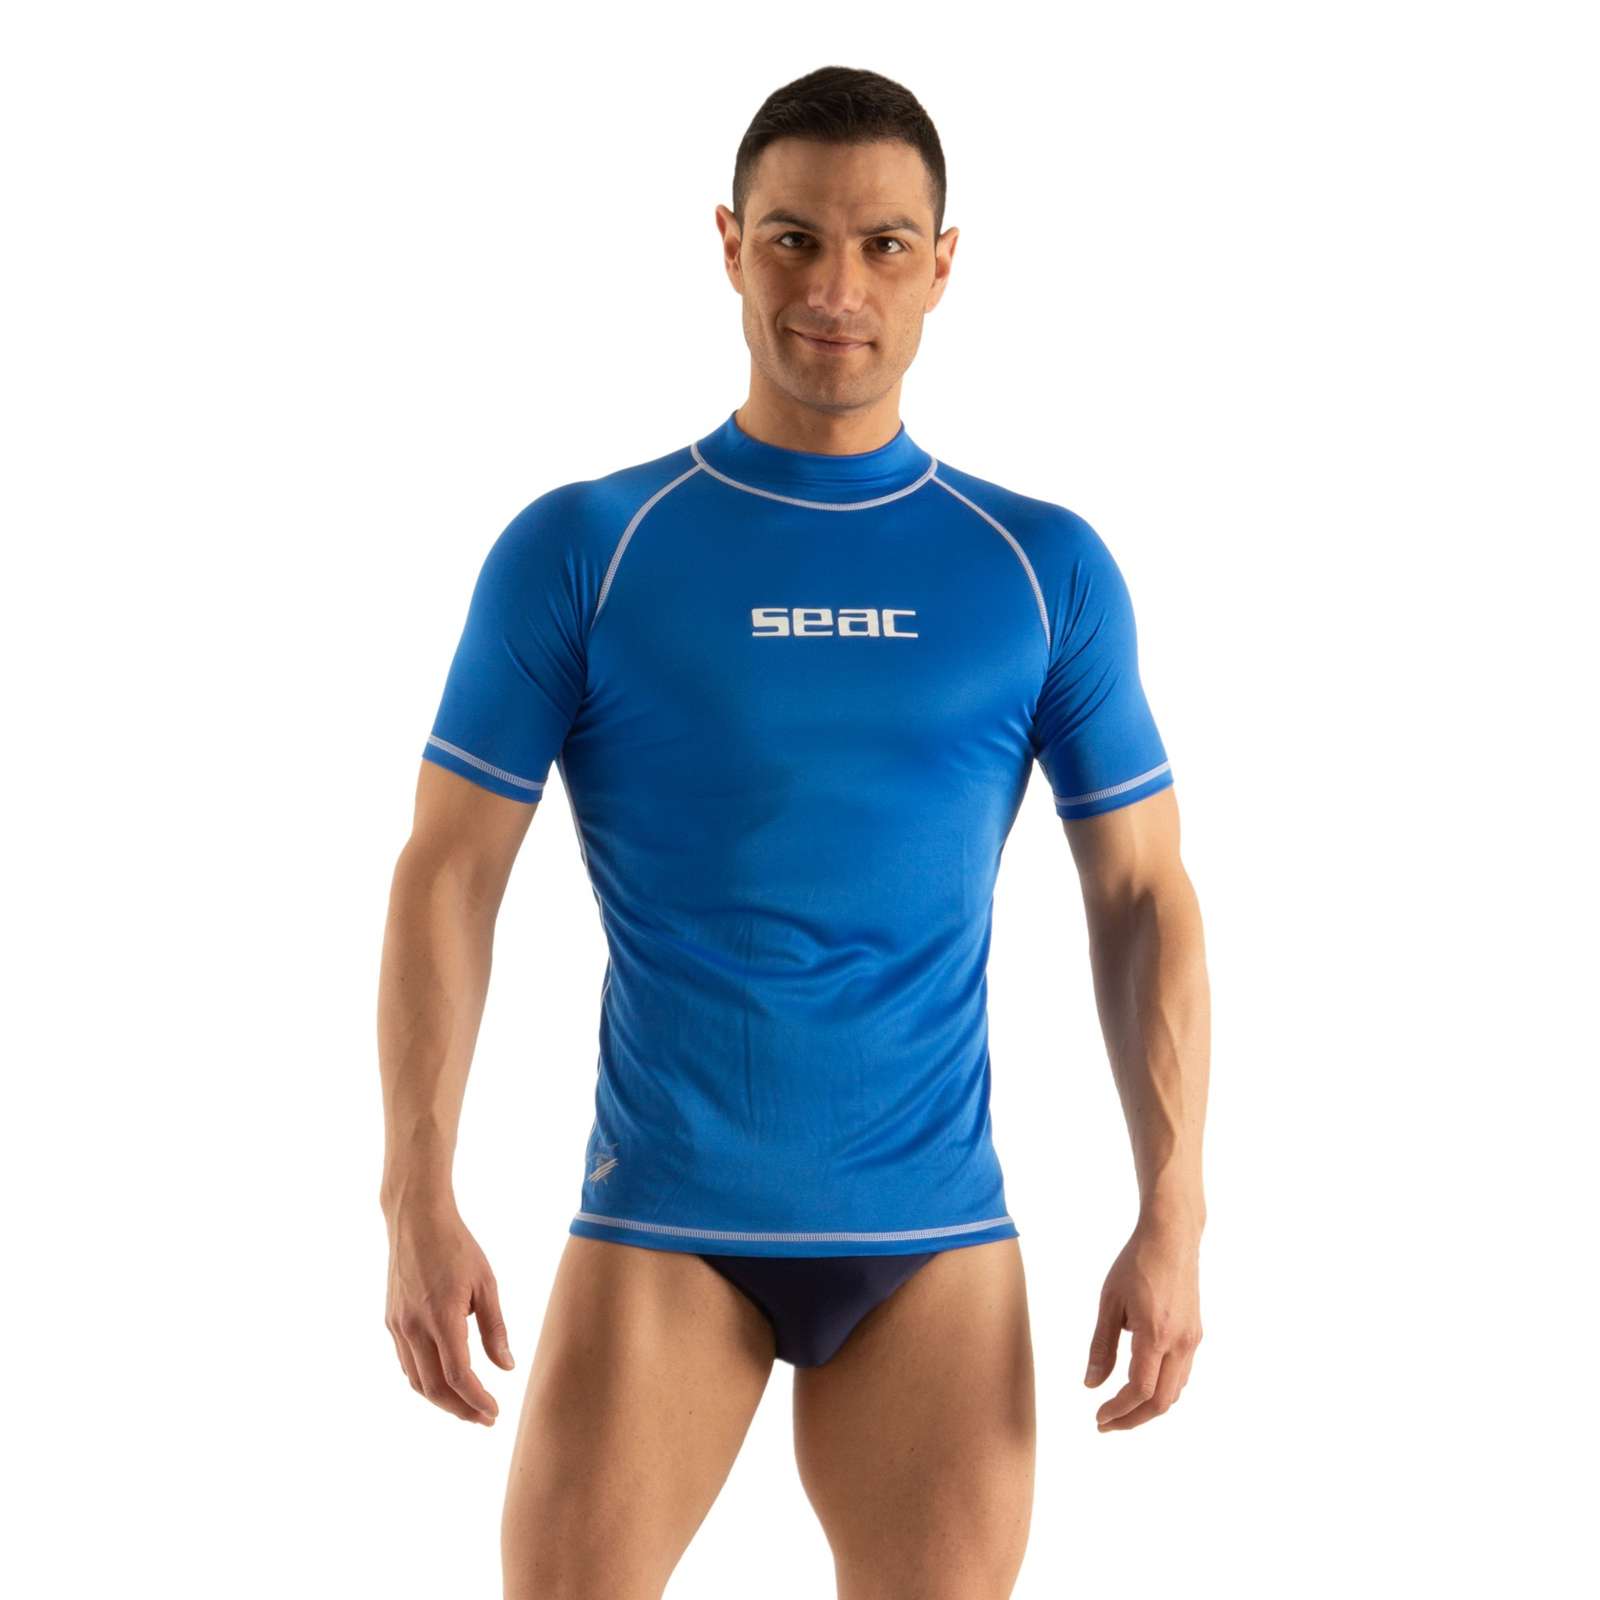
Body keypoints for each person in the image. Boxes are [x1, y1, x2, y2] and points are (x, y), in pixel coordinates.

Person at [377, 63, 1210, 1600]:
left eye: (883, 245)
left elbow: (1144, 893)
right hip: (667, 1225)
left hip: (935, 1233)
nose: (836, 289)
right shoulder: (588, 547)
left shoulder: (1038, 567)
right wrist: (413, 1197)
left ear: (942, 265)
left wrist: (1175, 1212)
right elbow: (448, 874)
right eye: (794, 240)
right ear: (729, 244)